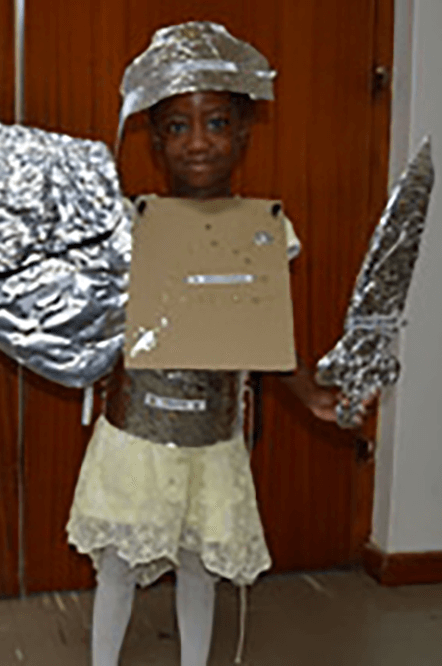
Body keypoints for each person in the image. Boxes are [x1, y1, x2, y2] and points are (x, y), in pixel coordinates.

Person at [66, 22, 349, 666]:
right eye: (177, 127)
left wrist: (309, 393)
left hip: (213, 436)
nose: (198, 142)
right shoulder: (129, 228)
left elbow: (264, 332)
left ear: (243, 132)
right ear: (155, 140)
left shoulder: (268, 231)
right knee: (117, 563)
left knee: (200, 563)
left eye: (216, 123)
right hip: (135, 430)